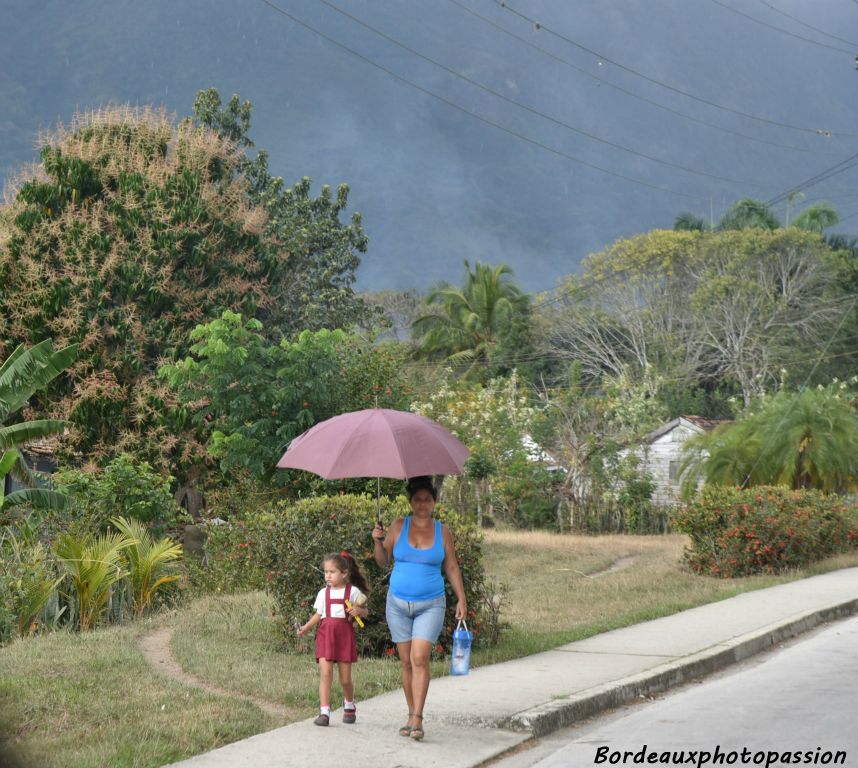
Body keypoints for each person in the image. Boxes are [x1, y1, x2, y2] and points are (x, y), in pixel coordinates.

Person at [372, 475, 467, 741]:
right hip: (397, 604)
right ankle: (410, 712)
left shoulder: (442, 531)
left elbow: (451, 566)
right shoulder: (399, 525)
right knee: (405, 662)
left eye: (427, 499)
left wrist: (461, 598)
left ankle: (418, 718)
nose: (422, 504)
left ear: (434, 502)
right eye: (417, 499)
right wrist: (378, 541)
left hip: (431, 604)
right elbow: (382, 561)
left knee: (419, 658)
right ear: (411, 501)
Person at [297, 551, 369, 726]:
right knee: (325, 674)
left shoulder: (352, 591)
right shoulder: (323, 593)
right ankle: (324, 712)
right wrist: (306, 627)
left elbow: (364, 610)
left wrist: (359, 611)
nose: (328, 576)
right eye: (325, 572)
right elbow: (318, 615)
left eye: (332, 572)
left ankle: (349, 704)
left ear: (344, 573)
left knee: (345, 679)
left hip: (344, 637)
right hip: (325, 636)